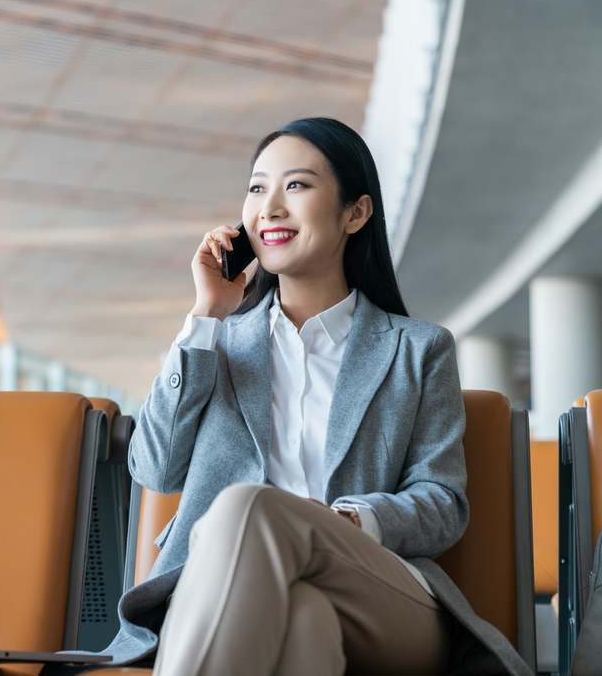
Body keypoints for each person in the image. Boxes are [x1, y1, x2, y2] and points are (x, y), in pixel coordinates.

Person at [49, 118, 532, 676]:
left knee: (245, 506)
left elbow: (443, 503)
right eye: (257, 189)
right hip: (233, 595)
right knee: (303, 622)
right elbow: (155, 468)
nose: (270, 209)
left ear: (356, 213)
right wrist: (206, 315)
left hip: (380, 592)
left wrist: (347, 522)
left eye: (296, 186)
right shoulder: (214, 344)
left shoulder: (417, 350)